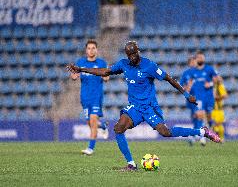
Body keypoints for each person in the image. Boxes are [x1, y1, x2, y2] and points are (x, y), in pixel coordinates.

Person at [67, 41, 221, 171]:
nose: (132, 57)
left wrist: (186, 95)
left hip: (149, 107)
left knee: (165, 132)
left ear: (138, 52)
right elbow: (105, 71)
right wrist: (81, 69)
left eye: (134, 54)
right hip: (134, 107)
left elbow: (169, 79)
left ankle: (202, 131)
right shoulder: (123, 64)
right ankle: (131, 164)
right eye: (129, 55)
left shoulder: (149, 66)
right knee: (118, 128)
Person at [69, 39, 109, 155]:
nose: (91, 50)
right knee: (90, 123)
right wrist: (74, 73)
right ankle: (103, 126)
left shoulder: (101, 63)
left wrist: (107, 74)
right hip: (84, 98)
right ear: (86, 50)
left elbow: (106, 79)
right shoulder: (80, 62)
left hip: (96, 97)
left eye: (93, 48)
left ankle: (90, 148)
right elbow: (74, 77)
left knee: (92, 120)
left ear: (96, 50)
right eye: (89, 48)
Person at [186, 51, 219, 146]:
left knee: (208, 117)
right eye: (198, 57)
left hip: (209, 97)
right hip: (199, 97)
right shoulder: (193, 71)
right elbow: (190, 82)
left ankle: (210, 129)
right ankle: (202, 137)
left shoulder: (209, 69)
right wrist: (187, 92)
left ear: (204, 59)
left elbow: (218, 79)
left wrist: (211, 84)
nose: (200, 59)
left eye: (201, 57)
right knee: (200, 115)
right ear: (196, 59)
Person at [211, 76, 228, 142]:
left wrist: (216, 98)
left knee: (218, 124)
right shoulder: (211, 86)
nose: (214, 79)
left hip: (219, 109)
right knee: (213, 124)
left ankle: (221, 138)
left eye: (215, 77)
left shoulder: (220, 86)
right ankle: (217, 138)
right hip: (212, 109)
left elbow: (225, 95)